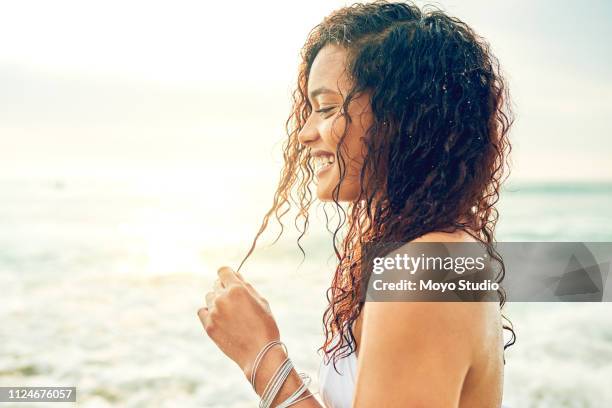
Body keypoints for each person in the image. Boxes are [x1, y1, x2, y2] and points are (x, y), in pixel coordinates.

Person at [197, 1, 515, 406]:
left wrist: (261, 357)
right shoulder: (432, 251)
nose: (305, 133)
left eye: (327, 108)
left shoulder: (423, 268)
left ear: (402, 115)